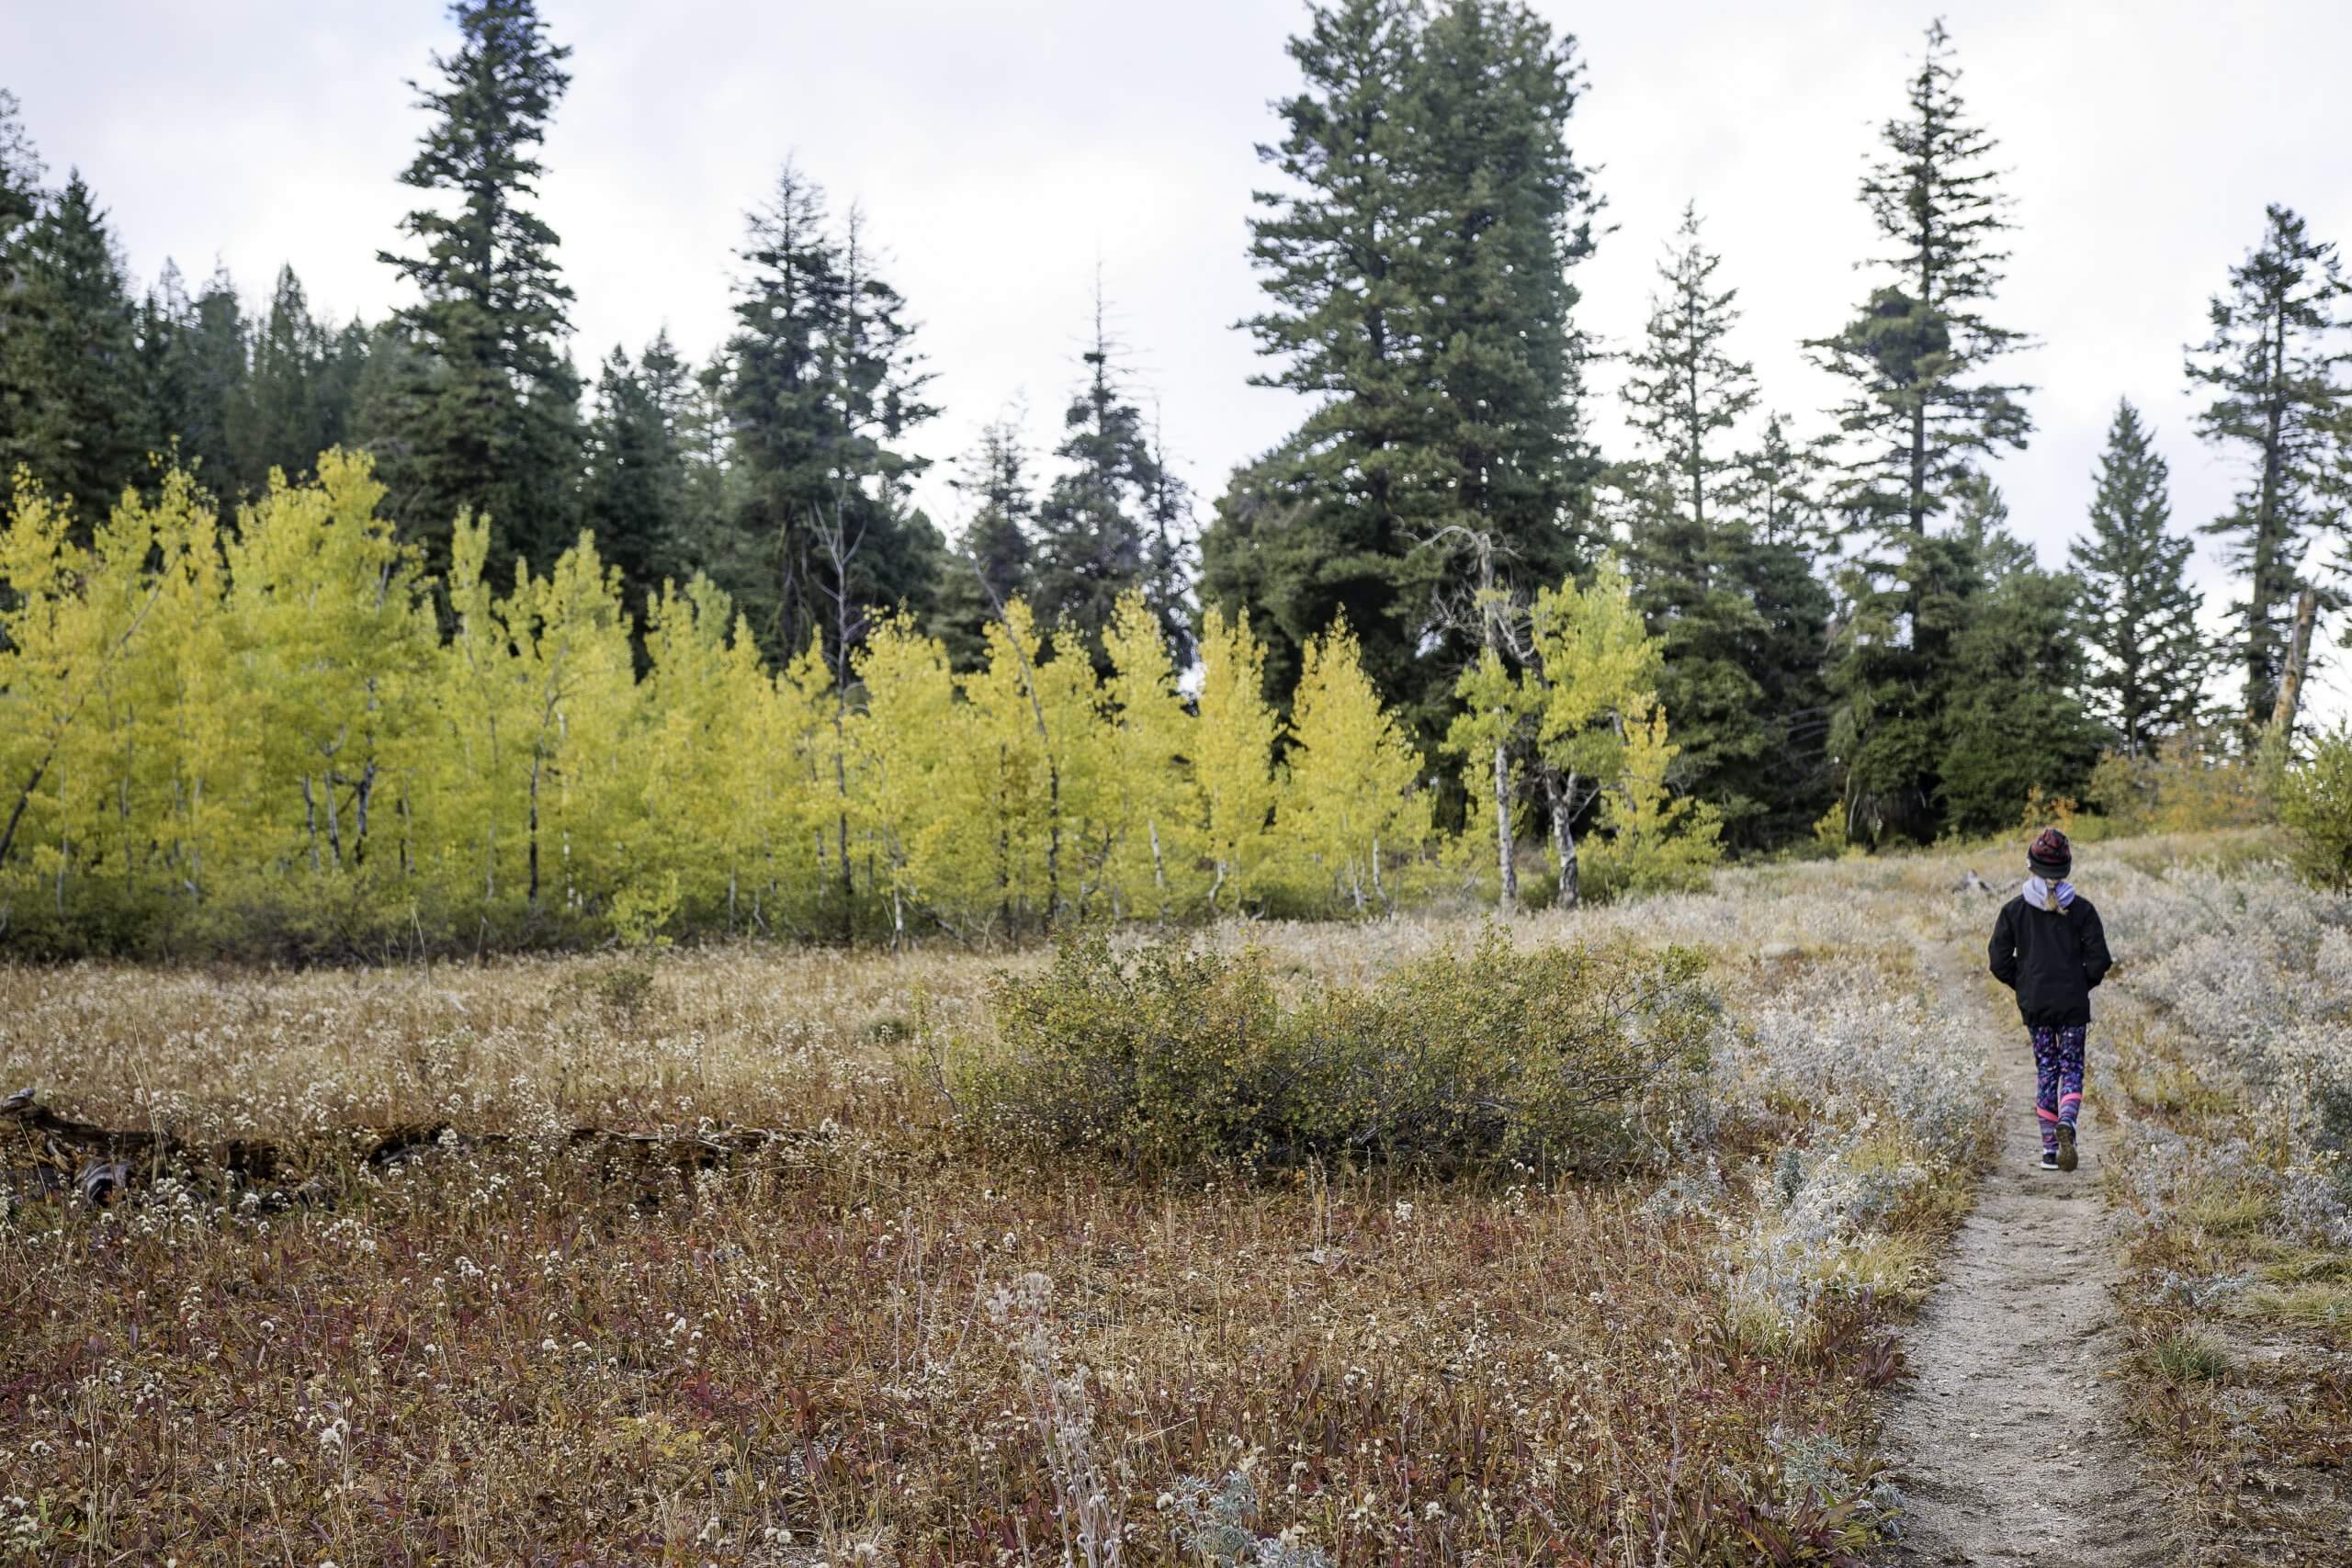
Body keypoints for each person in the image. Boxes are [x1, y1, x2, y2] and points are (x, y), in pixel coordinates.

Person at [1987, 827, 2114, 1171]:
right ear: (2067, 868)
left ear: (2030, 864)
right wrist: (2078, 983)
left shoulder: (2014, 911)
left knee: (2047, 1069)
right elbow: (2101, 961)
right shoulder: (2084, 911)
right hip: (2073, 1004)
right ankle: (2068, 1125)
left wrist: (2026, 985)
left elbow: (1998, 962)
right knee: (2071, 1067)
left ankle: (2048, 1151)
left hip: (2036, 1005)